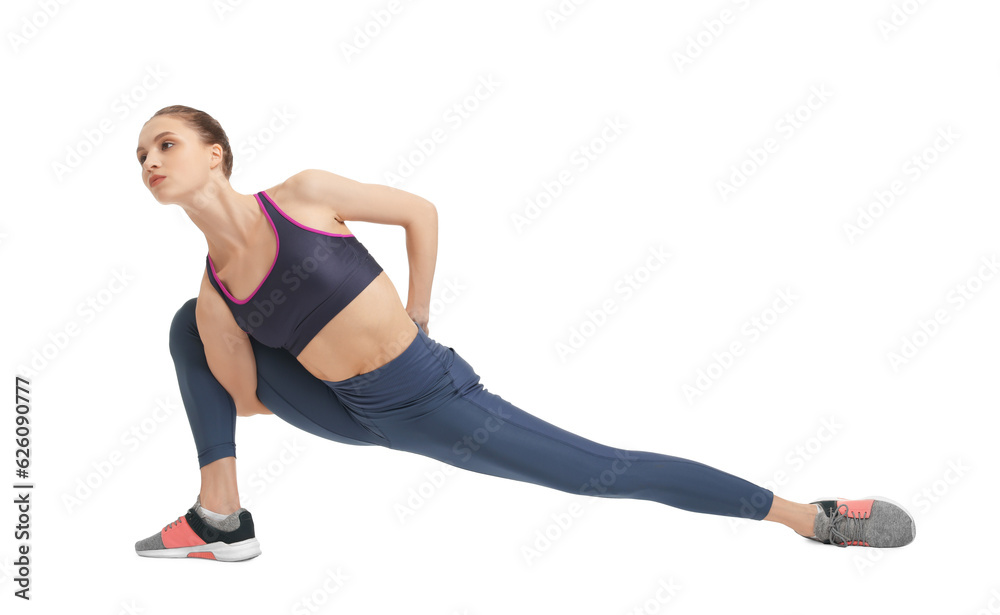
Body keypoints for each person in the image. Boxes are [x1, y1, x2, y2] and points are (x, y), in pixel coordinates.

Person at [133, 105, 915, 562]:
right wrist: (268, 338)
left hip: (429, 396)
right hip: (345, 410)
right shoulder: (215, 294)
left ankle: (809, 517)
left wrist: (418, 312)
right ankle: (222, 517)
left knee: (602, 471)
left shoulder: (301, 196)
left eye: (165, 143)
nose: (151, 160)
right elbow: (246, 401)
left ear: (215, 152)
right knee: (183, 326)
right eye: (141, 156)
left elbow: (419, 213)